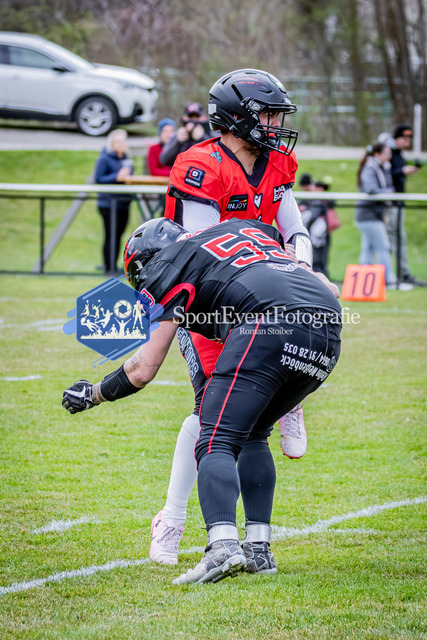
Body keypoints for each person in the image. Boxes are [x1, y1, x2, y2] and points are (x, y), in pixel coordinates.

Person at [63, 216, 342, 585]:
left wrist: (95, 393)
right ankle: (258, 549)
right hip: (328, 326)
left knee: (214, 437)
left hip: (269, 322)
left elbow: (143, 368)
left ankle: (222, 547)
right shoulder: (243, 228)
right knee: (255, 431)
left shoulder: (169, 266)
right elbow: (300, 262)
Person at [149, 68, 316, 566]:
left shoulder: (276, 162)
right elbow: (206, 254)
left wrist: (301, 271)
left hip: (261, 295)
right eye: (267, 115)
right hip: (206, 300)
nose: (275, 125)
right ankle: (172, 519)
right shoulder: (200, 165)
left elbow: (296, 229)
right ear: (237, 118)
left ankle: (192, 522)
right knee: (212, 416)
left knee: (233, 418)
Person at [355, 143, 412, 290]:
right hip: (369, 215)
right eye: (387, 152)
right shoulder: (371, 167)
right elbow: (370, 189)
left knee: (368, 249)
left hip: (371, 215)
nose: (390, 155)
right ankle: (389, 282)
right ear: (377, 154)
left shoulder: (380, 167)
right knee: (383, 247)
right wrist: (389, 193)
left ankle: (363, 284)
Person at [377, 125, 426, 286]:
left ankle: (400, 274)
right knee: (389, 240)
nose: (407, 141)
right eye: (404, 138)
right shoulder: (388, 154)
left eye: (409, 138)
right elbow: (386, 177)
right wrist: (402, 171)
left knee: (398, 239)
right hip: (390, 205)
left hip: (398, 203)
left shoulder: (398, 155)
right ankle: (391, 276)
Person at [95, 129, 134, 274]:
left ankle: (114, 265)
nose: (122, 144)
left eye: (124, 141)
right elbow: (98, 179)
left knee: (118, 235)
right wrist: (116, 176)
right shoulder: (104, 159)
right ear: (112, 143)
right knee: (110, 234)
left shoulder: (127, 160)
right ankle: (108, 266)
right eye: (118, 141)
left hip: (124, 203)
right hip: (108, 204)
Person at [159, 102, 212, 167]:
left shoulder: (211, 134)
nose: (193, 120)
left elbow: (217, 157)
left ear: (204, 117)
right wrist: (178, 142)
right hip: (181, 171)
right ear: (184, 117)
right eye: (190, 116)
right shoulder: (178, 134)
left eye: (197, 116)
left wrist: (202, 138)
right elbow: (164, 160)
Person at [297, 174, 330, 277]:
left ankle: (320, 275)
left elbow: (315, 213)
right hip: (314, 231)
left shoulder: (316, 197)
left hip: (318, 232)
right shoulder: (309, 197)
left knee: (319, 256)